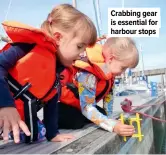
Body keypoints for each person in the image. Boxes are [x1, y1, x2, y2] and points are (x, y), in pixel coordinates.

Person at [0, 4, 97, 144]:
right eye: (79, 46)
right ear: (58, 37)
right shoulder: (27, 47)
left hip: (15, 121)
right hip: (4, 106)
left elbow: (51, 102)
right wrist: (5, 105)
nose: (82, 53)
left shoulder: (56, 72)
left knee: (39, 135)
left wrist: (53, 134)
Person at [58, 37, 139, 136]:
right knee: (76, 121)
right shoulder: (89, 74)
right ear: (111, 59)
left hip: (80, 106)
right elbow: (87, 108)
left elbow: (108, 101)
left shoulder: (108, 75)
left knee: (102, 114)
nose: (123, 73)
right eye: (123, 68)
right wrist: (113, 126)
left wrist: (111, 120)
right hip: (65, 106)